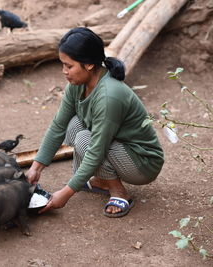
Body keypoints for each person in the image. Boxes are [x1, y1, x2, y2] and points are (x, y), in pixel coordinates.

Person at [26, 27, 164, 218]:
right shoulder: (78, 85)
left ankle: (118, 192)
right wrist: (36, 168)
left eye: (69, 66)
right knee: (72, 125)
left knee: (84, 139)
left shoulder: (109, 95)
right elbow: (58, 125)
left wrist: (66, 193)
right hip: (118, 146)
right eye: (63, 65)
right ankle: (101, 180)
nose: (64, 71)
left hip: (142, 161)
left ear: (89, 65)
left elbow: (96, 149)